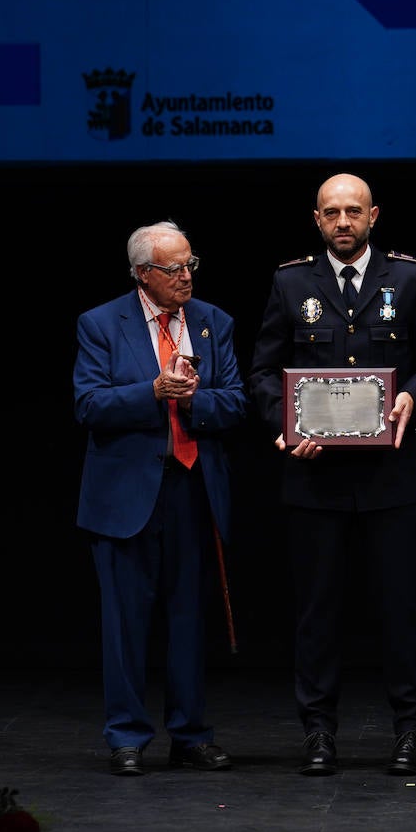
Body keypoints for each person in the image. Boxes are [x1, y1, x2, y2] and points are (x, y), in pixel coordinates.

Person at [248, 173, 416, 777]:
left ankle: (410, 732)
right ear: (316, 219)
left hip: (392, 477)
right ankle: (317, 733)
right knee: (318, 614)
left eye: (354, 212)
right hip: (315, 482)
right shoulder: (291, 282)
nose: (343, 222)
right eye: (332, 213)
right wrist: (284, 424)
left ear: (374, 216)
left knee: (402, 611)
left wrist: (414, 396)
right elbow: (263, 370)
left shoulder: (410, 278)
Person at [73, 219, 248, 776]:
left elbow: (237, 402)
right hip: (126, 496)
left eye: (190, 265)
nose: (185, 278)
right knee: (124, 624)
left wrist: (195, 400)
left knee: (187, 619)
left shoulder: (213, 322)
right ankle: (126, 737)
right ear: (142, 274)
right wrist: (152, 392)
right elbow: (89, 405)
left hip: (191, 489)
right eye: (173, 269)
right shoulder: (101, 324)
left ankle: (191, 735)